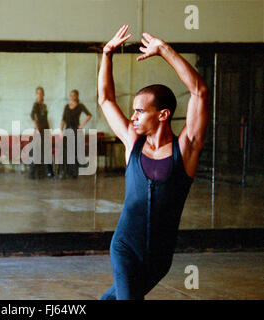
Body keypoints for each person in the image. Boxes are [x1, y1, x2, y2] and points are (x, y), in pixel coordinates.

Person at [98, 25, 208, 299]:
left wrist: (165, 51)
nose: (132, 117)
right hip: (124, 246)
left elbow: (200, 92)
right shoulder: (132, 143)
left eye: (139, 111)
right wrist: (107, 54)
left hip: (158, 258)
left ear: (163, 114)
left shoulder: (185, 149)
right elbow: (106, 99)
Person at [59, 90, 92, 179]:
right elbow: (63, 119)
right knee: (65, 152)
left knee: (73, 152)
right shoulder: (66, 107)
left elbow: (89, 115)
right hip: (67, 130)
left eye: (74, 95)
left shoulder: (80, 106)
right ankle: (65, 172)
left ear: (77, 96)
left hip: (75, 130)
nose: (72, 97)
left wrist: (81, 125)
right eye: (71, 95)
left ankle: (74, 173)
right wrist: (61, 130)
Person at [29, 86, 54, 179]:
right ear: (36, 95)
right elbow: (32, 116)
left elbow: (45, 119)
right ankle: (32, 173)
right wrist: (37, 129)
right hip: (38, 131)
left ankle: (50, 172)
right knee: (35, 152)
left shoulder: (44, 105)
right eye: (38, 93)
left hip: (45, 130)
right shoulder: (35, 105)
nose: (39, 95)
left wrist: (48, 131)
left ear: (43, 94)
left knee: (47, 151)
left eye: (41, 93)